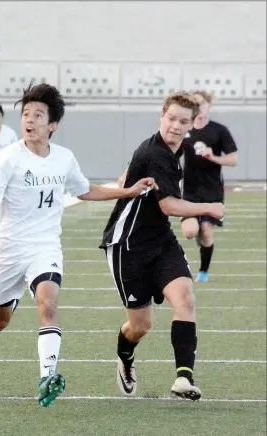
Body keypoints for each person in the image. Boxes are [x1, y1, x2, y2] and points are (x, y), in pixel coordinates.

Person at [0, 83, 157, 408]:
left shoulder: (63, 159)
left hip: (44, 248)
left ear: (52, 124)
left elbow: (84, 190)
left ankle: (48, 377)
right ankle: (10, 301)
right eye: (26, 113)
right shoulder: (7, 159)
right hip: (7, 250)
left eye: (38, 115)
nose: (29, 120)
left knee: (49, 303)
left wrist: (127, 191)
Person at [100, 92, 225, 401]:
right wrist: (207, 208)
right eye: (171, 119)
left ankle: (184, 378)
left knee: (185, 298)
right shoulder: (154, 152)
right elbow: (169, 205)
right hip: (128, 246)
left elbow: (164, 198)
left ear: (191, 124)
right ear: (161, 115)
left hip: (160, 240)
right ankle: (126, 356)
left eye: (183, 121)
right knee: (140, 326)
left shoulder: (178, 149)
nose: (175, 126)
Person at [181, 91, 238, 283]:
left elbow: (232, 159)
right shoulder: (184, 128)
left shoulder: (219, 131)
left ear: (208, 105)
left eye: (202, 103)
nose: (199, 108)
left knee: (206, 230)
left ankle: (203, 271)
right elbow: (167, 151)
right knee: (189, 232)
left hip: (212, 190)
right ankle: (196, 233)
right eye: (195, 104)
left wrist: (213, 156)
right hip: (189, 190)